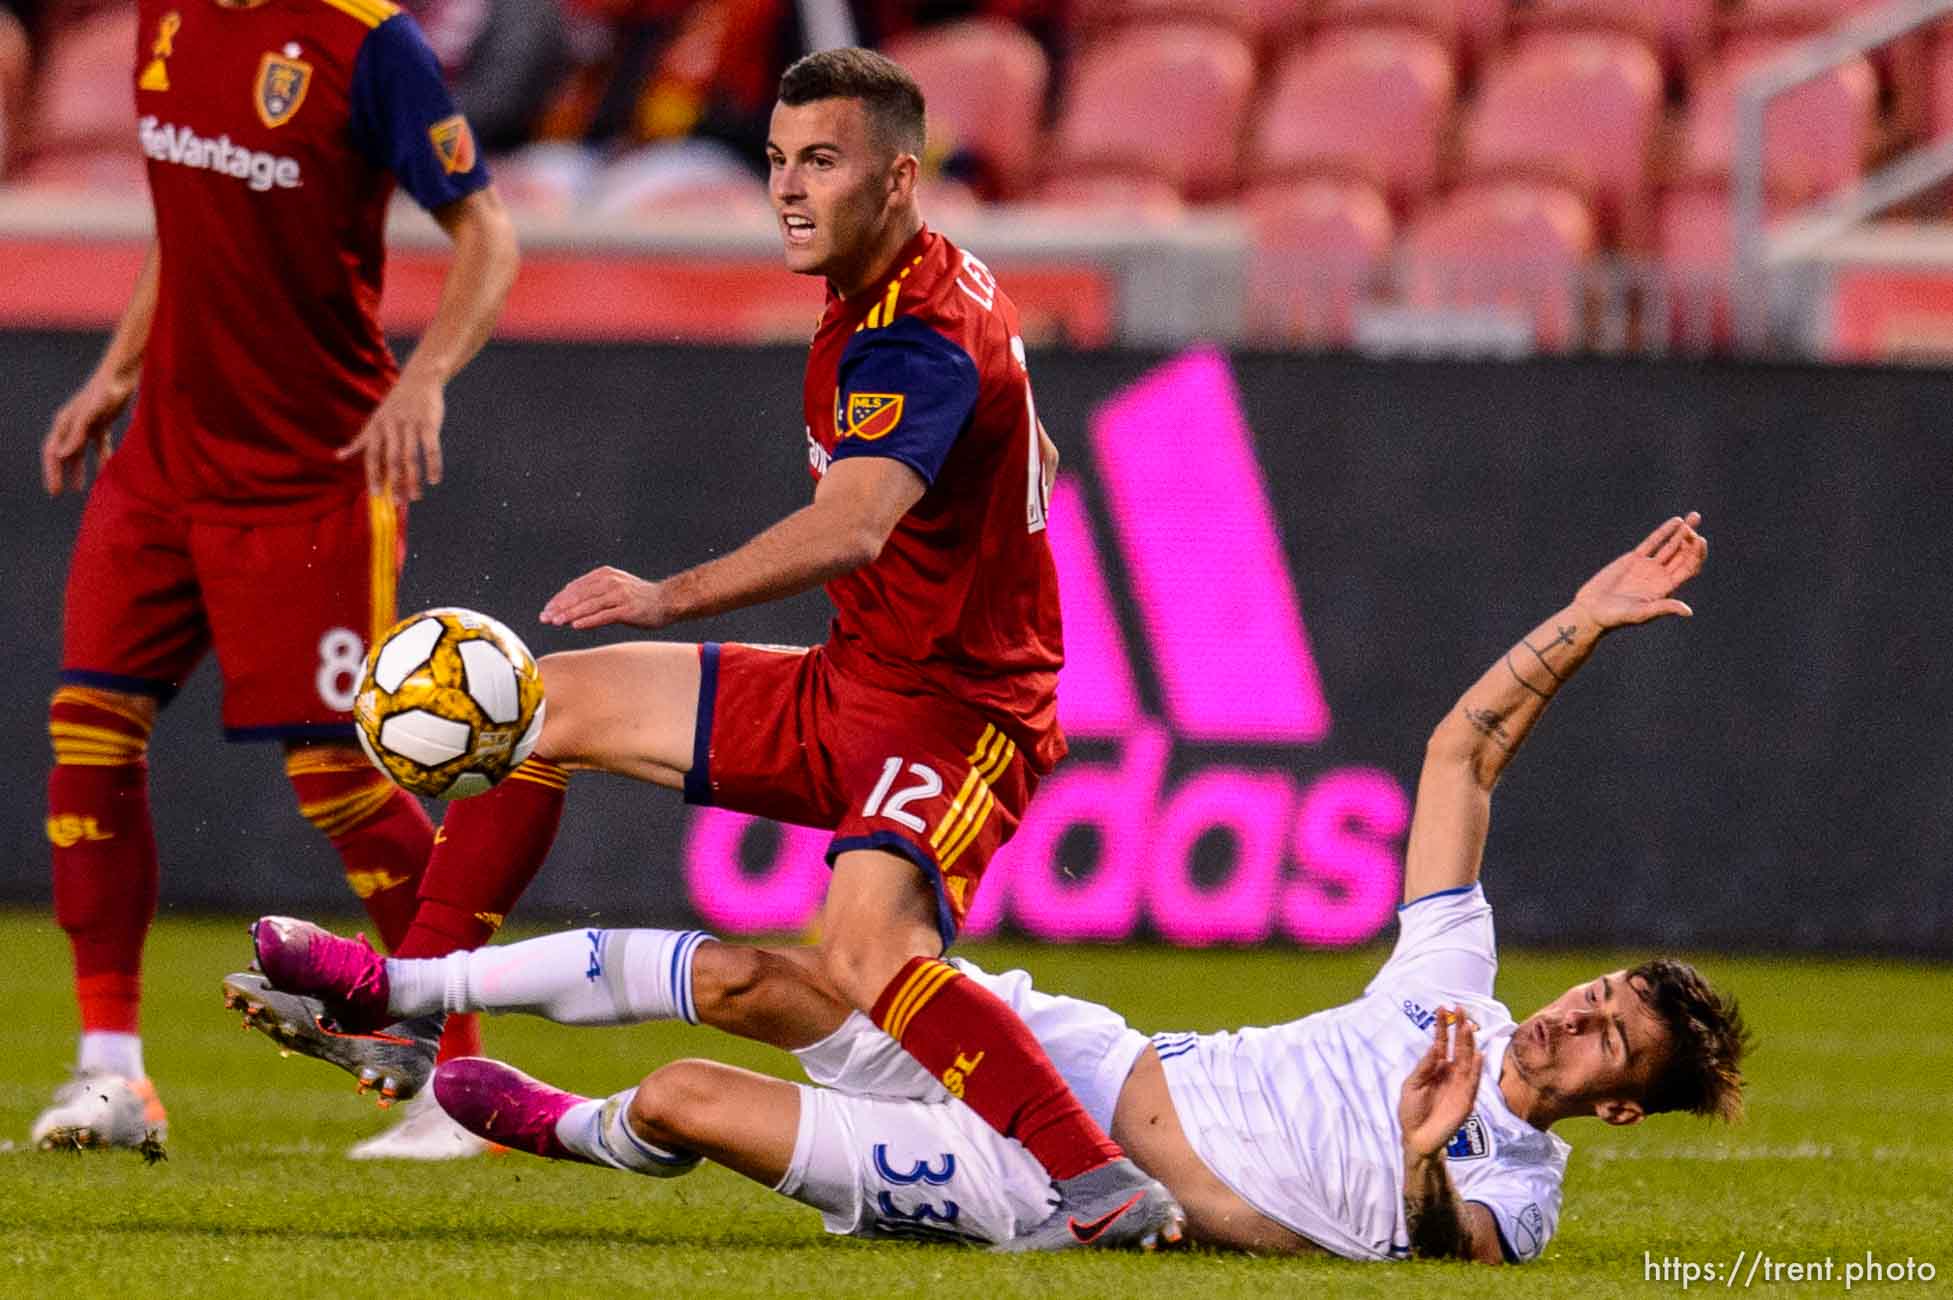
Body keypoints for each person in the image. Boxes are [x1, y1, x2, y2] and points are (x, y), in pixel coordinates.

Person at [231, 44, 1180, 1249]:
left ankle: (1097, 1183)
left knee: (867, 952)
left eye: (821, 163)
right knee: (544, 704)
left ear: (898, 178)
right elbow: (1036, 454)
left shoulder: (912, 339)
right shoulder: (923, 280)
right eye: (779, 160)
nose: (787, 188)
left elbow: (856, 523)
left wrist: (667, 594)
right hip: (861, 679)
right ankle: (408, 1007)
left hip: (958, 714)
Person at [235, 514, 1750, 1258]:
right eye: (1594, 997)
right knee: (778, 970)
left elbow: (1442, 1261)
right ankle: (402, 997)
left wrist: (1420, 1153)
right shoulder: (1454, 991)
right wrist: (1581, 622)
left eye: (1608, 1041)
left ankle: (562, 1126)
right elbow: (1459, 758)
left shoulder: (1518, 1189)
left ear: (1620, 1106)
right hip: (1082, 1061)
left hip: (1057, 1191)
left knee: (694, 1097)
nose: (1569, 1024)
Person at [31, 0, 519, 1161]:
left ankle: (463, 1081)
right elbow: (189, 226)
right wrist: (116, 371)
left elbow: (489, 235)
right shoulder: (166, 19)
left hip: (313, 471)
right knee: (88, 731)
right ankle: (111, 1073)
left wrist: (426, 378)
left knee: (340, 777)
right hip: (162, 459)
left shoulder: (368, 41)